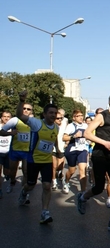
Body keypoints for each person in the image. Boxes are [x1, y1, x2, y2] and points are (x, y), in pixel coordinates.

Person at [77, 92, 110, 232]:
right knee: (99, 187)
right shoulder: (102, 116)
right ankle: (83, 197)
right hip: (100, 156)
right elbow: (87, 133)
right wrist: (104, 142)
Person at [16, 91, 61, 224]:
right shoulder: (36, 123)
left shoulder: (56, 127)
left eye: (55, 113)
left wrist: (58, 149)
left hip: (47, 160)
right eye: (51, 113)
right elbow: (19, 115)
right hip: (33, 160)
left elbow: (54, 139)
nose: (53, 115)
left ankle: (44, 212)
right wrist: (21, 100)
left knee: (47, 186)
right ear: (44, 114)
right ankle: (24, 192)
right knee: (31, 184)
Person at [0, 105, 33, 194]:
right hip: (15, 150)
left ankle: (23, 192)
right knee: (12, 171)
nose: (26, 110)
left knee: (26, 172)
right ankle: (12, 181)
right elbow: (1, 132)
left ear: (31, 111)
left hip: (27, 151)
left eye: (28, 109)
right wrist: (11, 133)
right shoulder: (15, 120)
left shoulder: (33, 122)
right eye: (24, 108)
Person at [62, 110, 89, 194]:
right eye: (78, 116)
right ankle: (66, 181)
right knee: (72, 170)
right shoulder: (71, 126)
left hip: (82, 149)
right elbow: (64, 138)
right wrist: (74, 136)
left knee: (82, 170)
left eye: (82, 115)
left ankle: (83, 192)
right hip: (72, 149)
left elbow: (89, 135)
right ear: (74, 117)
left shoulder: (85, 125)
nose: (81, 117)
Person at [0, 111, 13, 198]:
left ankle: (7, 174)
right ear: (1, 117)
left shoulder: (13, 127)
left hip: (9, 152)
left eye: (8, 116)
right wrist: (11, 133)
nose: (6, 118)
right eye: (4, 116)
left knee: (7, 171)